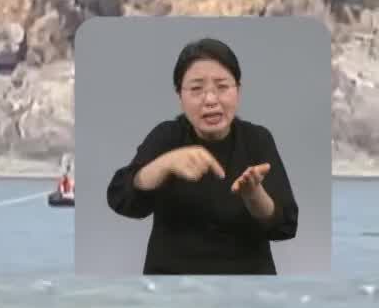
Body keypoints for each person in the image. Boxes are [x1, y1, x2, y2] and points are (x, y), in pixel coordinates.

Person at [106, 37, 297, 274]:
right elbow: (121, 199)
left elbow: (285, 226)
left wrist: (255, 196)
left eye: (222, 87)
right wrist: (163, 166)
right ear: (180, 96)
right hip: (173, 290)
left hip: (246, 293)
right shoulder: (167, 136)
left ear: (238, 90)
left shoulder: (257, 140)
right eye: (196, 89)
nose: (210, 100)